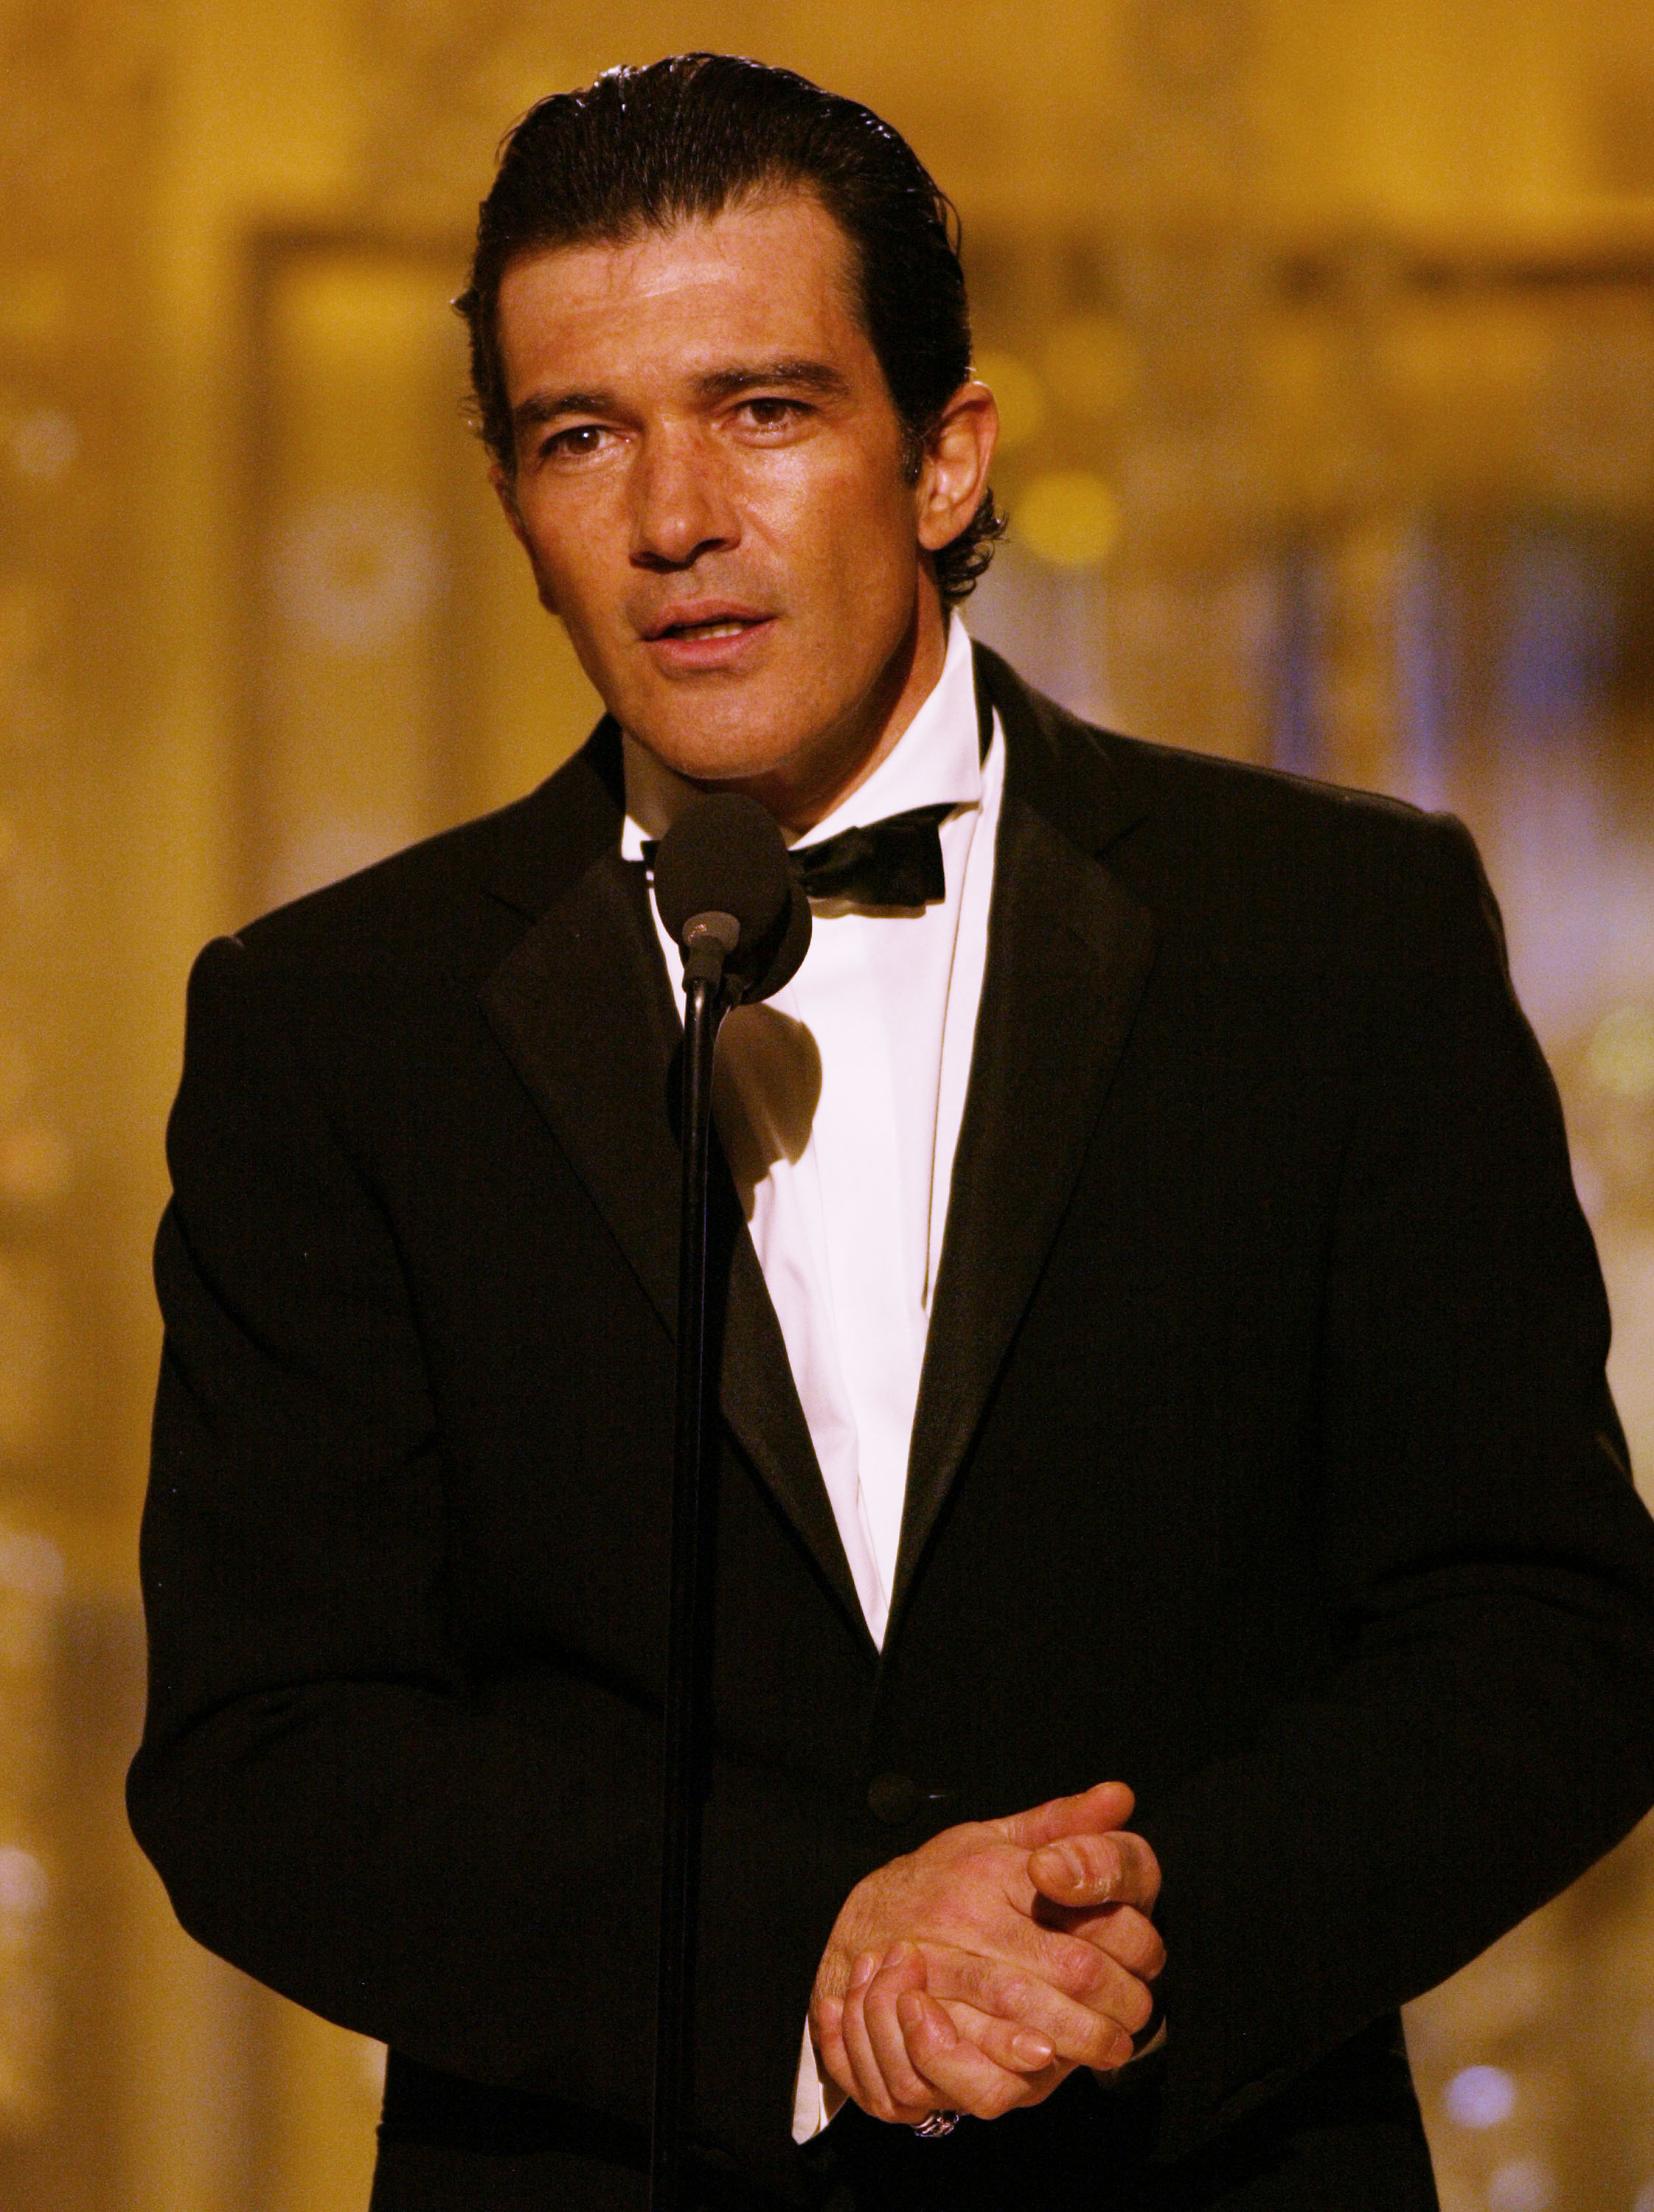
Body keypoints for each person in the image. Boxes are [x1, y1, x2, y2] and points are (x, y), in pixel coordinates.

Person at [128, 52, 1654, 2212]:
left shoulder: (1328, 934)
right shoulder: (333, 1024)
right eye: (584, 436)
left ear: (943, 458)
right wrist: (807, 1953)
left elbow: (1542, 1631)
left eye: (762, 410)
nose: (674, 519)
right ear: (512, 501)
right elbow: (267, 1757)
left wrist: (1132, 1939)